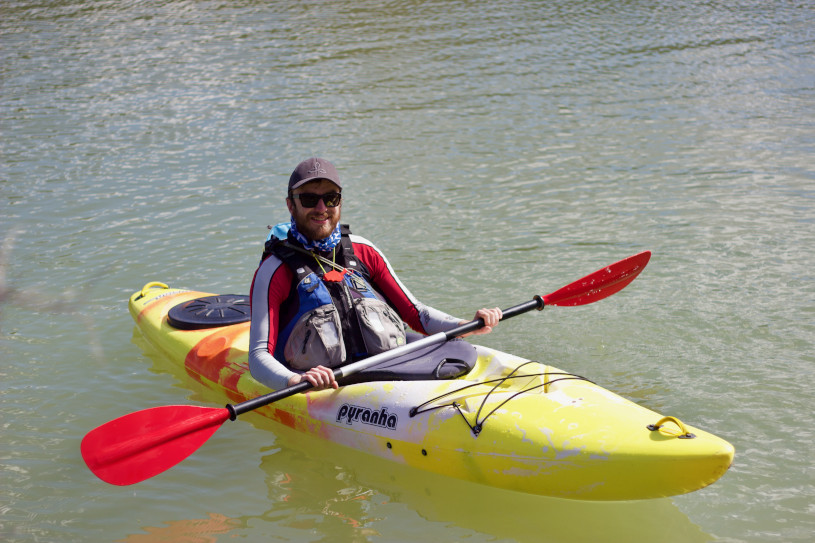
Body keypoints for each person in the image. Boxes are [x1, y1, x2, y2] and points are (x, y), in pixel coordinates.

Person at [248, 157, 501, 391]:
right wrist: (295, 380)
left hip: (382, 367)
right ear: (291, 205)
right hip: (324, 385)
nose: (322, 207)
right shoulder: (275, 271)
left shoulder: (363, 251)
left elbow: (416, 314)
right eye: (309, 199)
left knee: (461, 350)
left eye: (331, 198)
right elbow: (259, 358)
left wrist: (465, 325)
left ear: (340, 201)